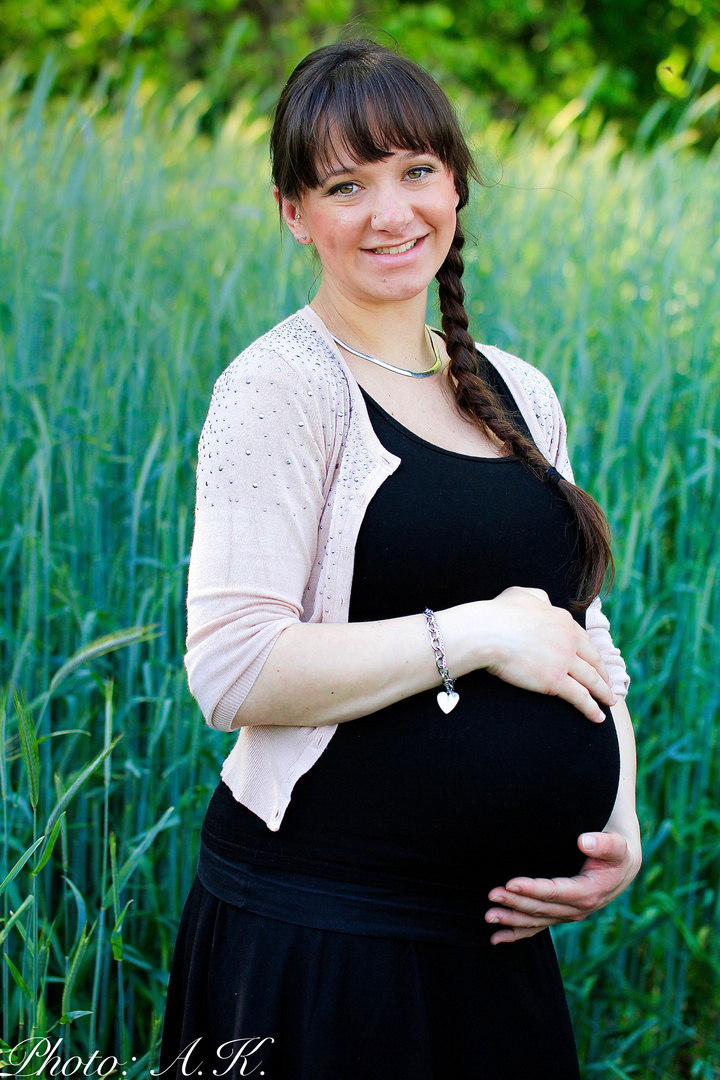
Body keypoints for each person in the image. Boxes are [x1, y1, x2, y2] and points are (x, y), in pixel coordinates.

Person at [159, 39, 641, 1080]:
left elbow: (582, 634)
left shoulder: (519, 390)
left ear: (457, 182)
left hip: (495, 948)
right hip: (329, 942)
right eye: (347, 183)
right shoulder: (279, 389)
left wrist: (620, 822)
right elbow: (232, 667)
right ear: (295, 211)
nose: (392, 212)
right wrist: (473, 636)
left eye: (417, 170)